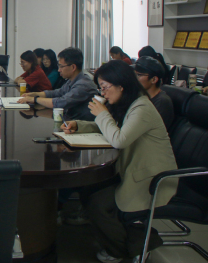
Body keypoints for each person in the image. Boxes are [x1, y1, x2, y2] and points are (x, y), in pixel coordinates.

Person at [60, 60, 178, 263]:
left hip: (151, 179)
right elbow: (112, 127)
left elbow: (119, 139)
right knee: (89, 189)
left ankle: (128, 247)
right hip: (131, 170)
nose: (103, 93)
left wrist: (102, 114)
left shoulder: (142, 107)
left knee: (98, 204)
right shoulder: (128, 104)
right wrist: (78, 125)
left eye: (105, 87)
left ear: (121, 85)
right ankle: (124, 238)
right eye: (101, 88)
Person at [18, 47, 98, 120]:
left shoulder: (83, 84)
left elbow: (61, 103)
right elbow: (57, 93)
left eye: (61, 66)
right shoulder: (72, 80)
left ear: (73, 67)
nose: (59, 70)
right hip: (71, 119)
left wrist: (34, 99)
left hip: (82, 124)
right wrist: (34, 94)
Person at [134, 57, 174, 130]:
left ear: (154, 79)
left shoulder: (162, 102)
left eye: (139, 75)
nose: (135, 79)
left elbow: (145, 128)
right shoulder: (141, 95)